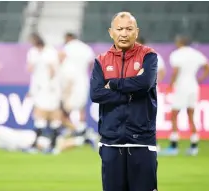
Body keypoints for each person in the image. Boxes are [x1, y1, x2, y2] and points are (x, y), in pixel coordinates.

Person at [90, 12, 158, 191]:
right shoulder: (101, 60)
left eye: (129, 29)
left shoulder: (148, 56)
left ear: (136, 31)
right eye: (119, 29)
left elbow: (145, 84)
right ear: (111, 32)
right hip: (111, 142)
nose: (124, 33)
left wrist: (112, 84)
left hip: (142, 141)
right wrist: (129, 93)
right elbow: (96, 94)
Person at [159, 35, 209, 156]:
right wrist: (199, 80)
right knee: (191, 115)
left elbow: (175, 71)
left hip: (181, 87)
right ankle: (194, 146)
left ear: (179, 43)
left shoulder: (177, 54)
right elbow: (208, 67)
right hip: (193, 86)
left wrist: (170, 85)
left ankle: (174, 145)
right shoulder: (196, 54)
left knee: (174, 115)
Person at [25, 33, 62, 154]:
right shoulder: (32, 52)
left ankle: (51, 144)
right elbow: (30, 69)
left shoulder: (50, 51)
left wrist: (49, 85)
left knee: (50, 115)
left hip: (50, 88)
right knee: (40, 116)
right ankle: (46, 144)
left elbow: (53, 69)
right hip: (39, 88)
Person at [58, 32, 95, 137]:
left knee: (64, 108)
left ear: (68, 38)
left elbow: (60, 59)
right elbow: (92, 63)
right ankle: (80, 129)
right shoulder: (86, 48)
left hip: (69, 81)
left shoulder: (68, 47)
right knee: (81, 107)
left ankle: (76, 130)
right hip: (83, 80)